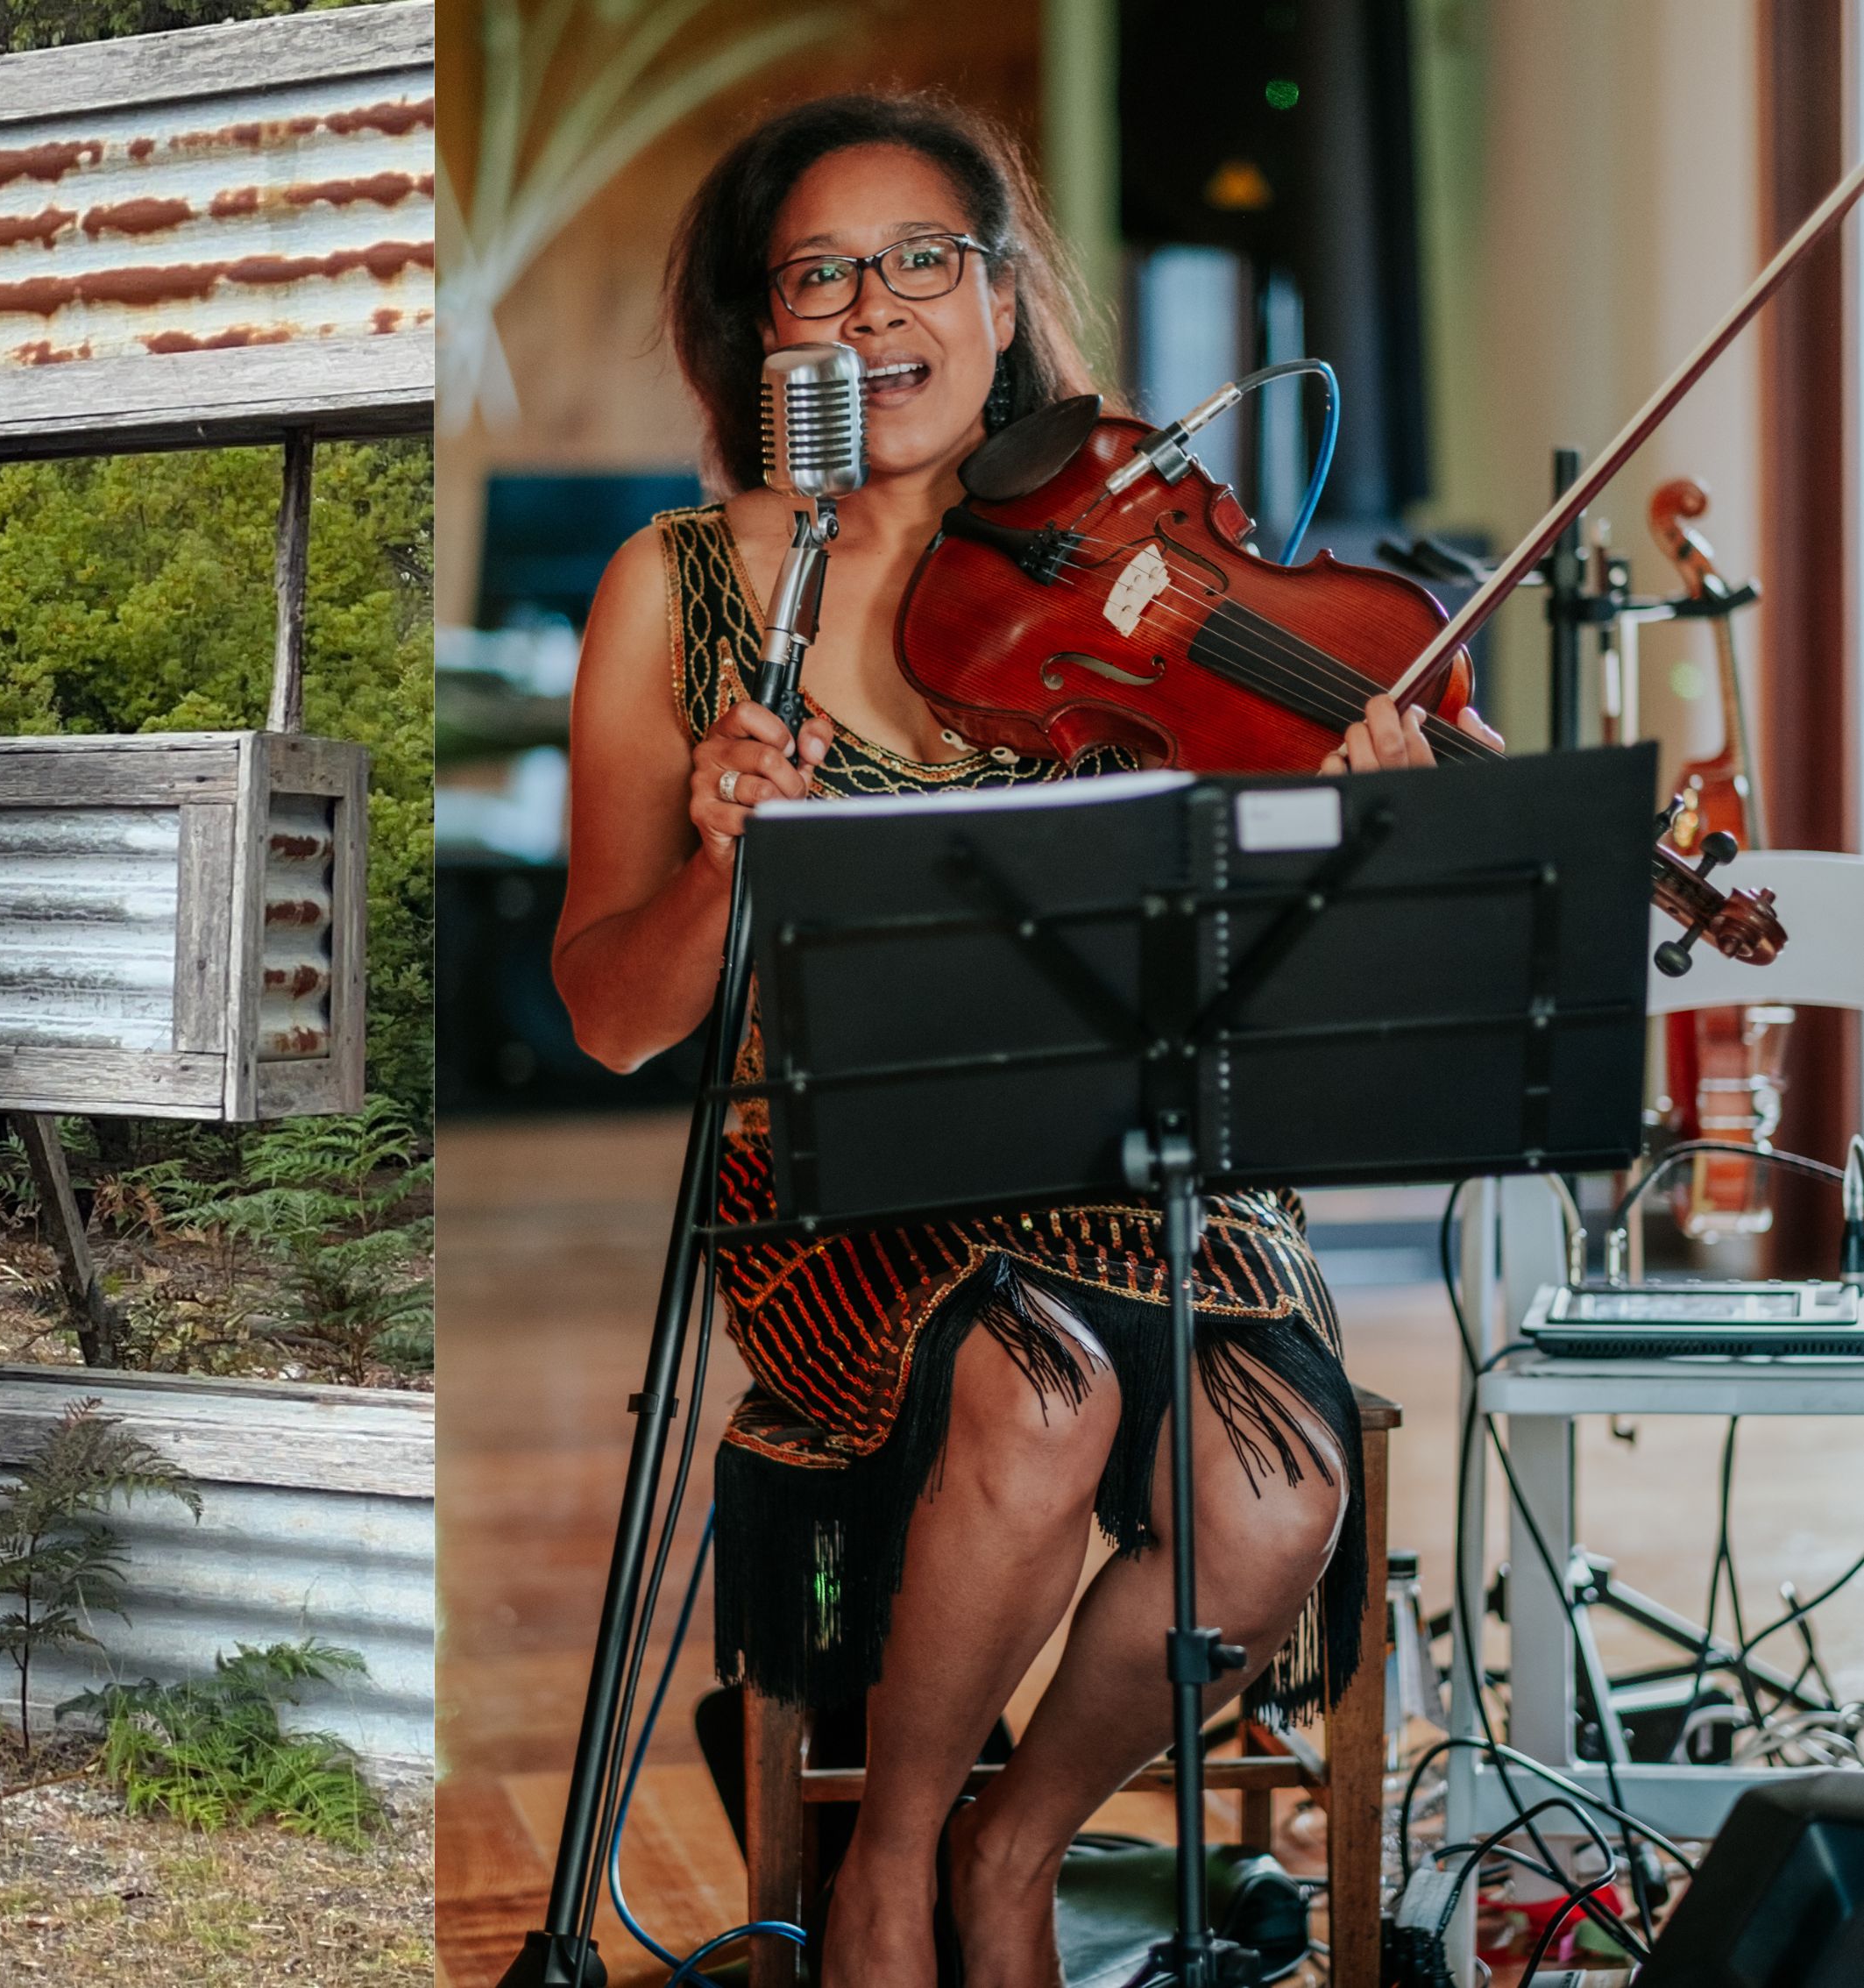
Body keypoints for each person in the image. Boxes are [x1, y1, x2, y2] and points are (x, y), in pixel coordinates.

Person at [547, 95, 1417, 1988]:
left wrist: (1356, 820)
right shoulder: (681, 595)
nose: (873, 307)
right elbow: (611, 1019)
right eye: (819, 275)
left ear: (1002, 302)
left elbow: (1280, 967)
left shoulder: (1155, 581)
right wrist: (719, 860)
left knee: (1275, 1496)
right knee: (1042, 1391)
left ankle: (1009, 1846)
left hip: (1143, 1152)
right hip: (848, 1170)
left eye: (921, 258)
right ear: (764, 336)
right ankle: (885, 1870)